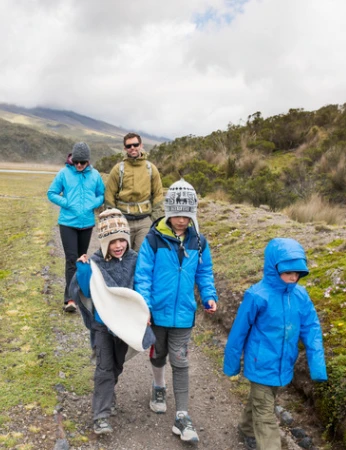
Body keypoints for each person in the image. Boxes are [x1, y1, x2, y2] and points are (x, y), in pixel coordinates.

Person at [134, 179, 218, 443]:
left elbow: (204, 273)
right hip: (156, 313)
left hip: (184, 315)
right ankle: (159, 387)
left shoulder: (199, 242)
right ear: (169, 212)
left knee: (181, 362)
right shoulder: (152, 239)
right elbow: (143, 275)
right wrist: (145, 306)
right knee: (158, 354)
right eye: (177, 214)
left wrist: (209, 296)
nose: (181, 220)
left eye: (187, 214)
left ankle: (182, 415)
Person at [223, 238, 327, 450]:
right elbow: (239, 332)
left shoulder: (300, 295)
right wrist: (232, 364)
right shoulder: (257, 295)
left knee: (262, 400)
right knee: (265, 414)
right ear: (273, 267)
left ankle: (245, 427)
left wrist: (317, 366)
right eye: (288, 272)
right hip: (260, 364)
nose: (293, 277)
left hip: (284, 364)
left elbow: (312, 329)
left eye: (297, 273)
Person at [71, 209, 139, 435]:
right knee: (104, 368)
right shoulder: (95, 262)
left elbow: (141, 288)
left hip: (124, 326)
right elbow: (86, 290)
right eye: (112, 241)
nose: (118, 245)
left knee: (117, 365)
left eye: (122, 240)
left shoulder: (135, 260)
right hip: (103, 324)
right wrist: (82, 268)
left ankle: (109, 392)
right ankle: (100, 416)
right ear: (104, 243)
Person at [47, 142, 105, 312]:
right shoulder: (64, 173)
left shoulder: (95, 175)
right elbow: (51, 193)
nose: (79, 165)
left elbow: (101, 194)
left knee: (82, 259)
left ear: (88, 161)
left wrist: (91, 204)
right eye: (76, 161)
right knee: (71, 260)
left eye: (83, 162)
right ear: (72, 159)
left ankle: (82, 293)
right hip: (68, 223)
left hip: (87, 224)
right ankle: (70, 298)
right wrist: (67, 203)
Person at [104, 132, 164, 252]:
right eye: (129, 146)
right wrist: (113, 220)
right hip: (123, 220)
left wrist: (155, 219)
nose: (132, 148)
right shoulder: (118, 169)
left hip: (145, 221)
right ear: (125, 148)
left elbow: (158, 194)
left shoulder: (151, 169)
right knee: (122, 256)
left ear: (141, 145)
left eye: (135, 144)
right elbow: (109, 195)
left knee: (142, 256)